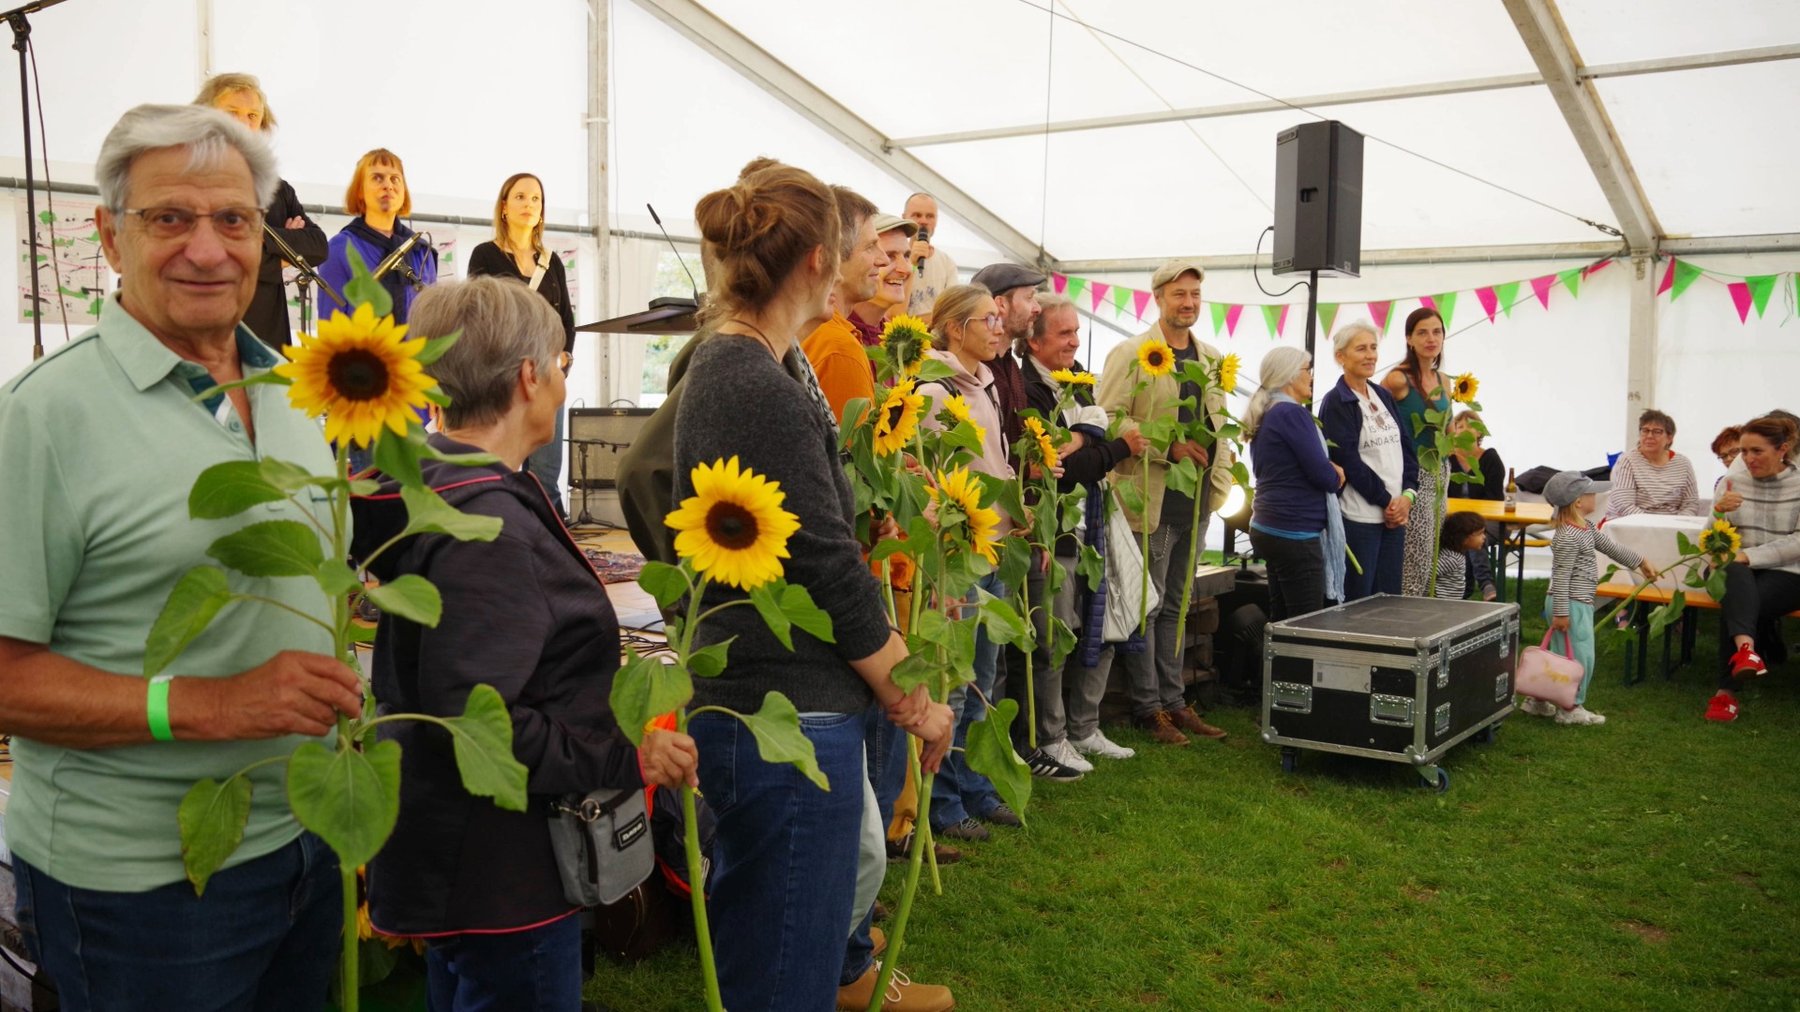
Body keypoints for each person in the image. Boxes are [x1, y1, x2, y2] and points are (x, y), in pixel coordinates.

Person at [0, 104, 363, 1010]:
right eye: (170, 218)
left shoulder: (295, 391)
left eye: (233, 220)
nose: (208, 250)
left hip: (302, 844)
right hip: (137, 889)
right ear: (111, 238)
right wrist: (213, 705)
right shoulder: (43, 418)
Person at [350, 277, 698, 1009]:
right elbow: (482, 720)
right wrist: (624, 756)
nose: (563, 383)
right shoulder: (486, 527)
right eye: (563, 365)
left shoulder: (441, 488)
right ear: (528, 377)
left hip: (464, 860)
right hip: (502, 870)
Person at [676, 160, 953, 1012]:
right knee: (784, 972)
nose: (864, 269)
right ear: (812, 264)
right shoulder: (755, 381)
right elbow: (827, 565)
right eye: (852, 252)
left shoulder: (757, 366)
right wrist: (913, 699)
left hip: (777, 705)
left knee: (776, 947)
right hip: (784, 708)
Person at [917, 282, 1049, 839]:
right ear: (956, 329)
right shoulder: (934, 388)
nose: (999, 328)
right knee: (953, 678)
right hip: (959, 553)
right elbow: (929, 478)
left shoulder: (988, 381)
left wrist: (1017, 513)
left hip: (994, 544)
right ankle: (942, 802)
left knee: (984, 680)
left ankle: (976, 783)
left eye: (999, 319)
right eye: (988, 320)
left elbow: (991, 463)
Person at [1094, 259, 1233, 746]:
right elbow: (1107, 419)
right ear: (1158, 297)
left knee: (1175, 604)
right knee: (1144, 606)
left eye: (1195, 294)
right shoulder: (1131, 353)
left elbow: (1220, 423)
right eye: (1180, 294)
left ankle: (1174, 702)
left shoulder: (1212, 358)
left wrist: (1222, 473)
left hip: (1193, 504)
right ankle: (1147, 707)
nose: (1189, 303)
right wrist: (1164, 447)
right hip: (1147, 501)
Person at [1020, 293, 1149, 768]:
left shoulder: (1077, 382)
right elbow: (1064, 468)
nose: (1075, 341)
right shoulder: (1027, 388)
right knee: (1054, 635)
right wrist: (1113, 448)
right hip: (1051, 530)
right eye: (1064, 333)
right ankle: (1051, 737)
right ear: (1033, 341)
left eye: (1076, 331)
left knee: (1109, 618)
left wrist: (1090, 443)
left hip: (1089, 523)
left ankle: (1083, 727)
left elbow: (1082, 455)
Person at [467, 173, 578, 513]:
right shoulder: (485, 255)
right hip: (504, 374)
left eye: (536, 199)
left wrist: (564, 357)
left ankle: (549, 534)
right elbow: (478, 313)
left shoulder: (552, 260)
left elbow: (566, 320)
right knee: (498, 464)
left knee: (546, 470)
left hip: (545, 374)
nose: (529, 204)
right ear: (504, 206)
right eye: (520, 197)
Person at [194, 73, 326, 349]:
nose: (244, 123)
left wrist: (255, 246)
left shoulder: (278, 189)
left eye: (253, 115)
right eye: (232, 113)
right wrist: (285, 253)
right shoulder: (192, 180)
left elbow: (317, 246)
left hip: (270, 339)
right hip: (211, 337)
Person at [1524, 471, 1656, 725]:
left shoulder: (1584, 528)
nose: (1596, 496)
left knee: (1559, 655)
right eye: (1591, 492)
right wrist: (1562, 612)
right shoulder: (1569, 536)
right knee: (1580, 657)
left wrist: (1640, 562)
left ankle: (1538, 700)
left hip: (1573, 602)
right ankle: (1571, 708)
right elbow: (1561, 576)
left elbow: (1610, 547)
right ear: (1577, 502)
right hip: (1571, 603)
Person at [1704, 414, 1800, 723]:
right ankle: (1747, 651)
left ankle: (1725, 693)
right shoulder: (1734, 481)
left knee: (1739, 597)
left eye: (1756, 451)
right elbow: (1710, 537)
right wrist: (1719, 511)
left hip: (1788, 571)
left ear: (1782, 449)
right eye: (1743, 451)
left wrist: (1749, 556)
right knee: (1735, 581)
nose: (1747, 458)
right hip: (1734, 567)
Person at [1243, 346, 1345, 620]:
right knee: (1304, 624)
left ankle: (1275, 663)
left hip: (1269, 526)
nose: (1311, 376)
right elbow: (1321, 475)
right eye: (1306, 369)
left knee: (1282, 618)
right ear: (1289, 376)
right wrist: (1336, 473)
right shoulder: (1291, 414)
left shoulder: (1268, 412)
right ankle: (1293, 665)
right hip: (1294, 531)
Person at [1320, 321, 1417, 600]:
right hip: (1360, 520)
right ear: (1341, 356)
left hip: (1395, 516)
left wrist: (1407, 497)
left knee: (1388, 603)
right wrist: (1388, 501)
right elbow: (1349, 462)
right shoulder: (1337, 402)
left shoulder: (1382, 394)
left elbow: (1406, 449)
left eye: (1373, 348)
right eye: (1361, 349)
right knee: (1358, 602)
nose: (1370, 355)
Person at [319, 148, 438, 325]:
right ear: (359, 191)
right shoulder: (340, 249)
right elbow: (330, 324)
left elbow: (433, 320)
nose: (388, 185)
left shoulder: (421, 250)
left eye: (395, 179)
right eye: (377, 178)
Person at [1383, 307, 1451, 597]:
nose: (1430, 338)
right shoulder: (1398, 379)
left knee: (1432, 553)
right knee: (1415, 556)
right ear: (1409, 339)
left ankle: (1423, 613)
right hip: (1413, 473)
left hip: (1441, 472)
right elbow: (1378, 425)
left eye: (1436, 331)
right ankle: (1405, 620)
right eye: (1422, 332)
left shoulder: (1444, 380)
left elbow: (1447, 429)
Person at [800, 188, 885, 417]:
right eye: (870, 247)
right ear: (834, 256)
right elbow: (853, 452)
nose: (883, 259)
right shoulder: (839, 348)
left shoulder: (809, 329)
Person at [1446, 409, 1502, 600]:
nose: (1464, 430)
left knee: (1472, 532)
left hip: (1490, 520)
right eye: (1459, 426)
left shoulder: (1490, 458)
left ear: (1480, 432)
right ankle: (1484, 585)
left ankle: (1471, 588)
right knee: (1467, 533)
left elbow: (1495, 498)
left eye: (1470, 425)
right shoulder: (1447, 460)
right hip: (1454, 521)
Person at [1605, 409, 1701, 519]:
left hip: (1674, 526)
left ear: (1669, 438)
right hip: (1633, 524)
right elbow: (1624, 504)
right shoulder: (1628, 460)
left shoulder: (1683, 463)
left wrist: (1677, 523)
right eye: (1645, 430)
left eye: (1657, 431)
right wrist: (1652, 525)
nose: (1649, 436)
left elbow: (1691, 503)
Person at [849, 213, 918, 338]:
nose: (905, 269)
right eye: (889, 256)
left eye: (907, 256)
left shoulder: (895, 339)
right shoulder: (831, 335)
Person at [902, 192, 958, 323]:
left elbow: (952, 311)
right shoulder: (891, 258)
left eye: (930, 216)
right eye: (917, 215)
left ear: (936, 221)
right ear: (904, 218)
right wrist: (911, 263)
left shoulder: (947, 263)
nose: (923, 221)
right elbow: (889, 313)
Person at [1433, 511, 1487, 601]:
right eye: (1480, 533)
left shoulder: (1457, 555)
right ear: (1464, 538)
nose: (1484, 537)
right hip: (1442, 606)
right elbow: (1429, 575)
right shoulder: (1452, 559)